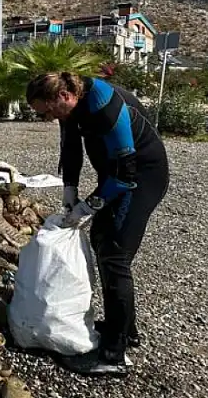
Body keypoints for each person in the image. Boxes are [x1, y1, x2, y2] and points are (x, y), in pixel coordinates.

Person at [25, 71, 169, 378]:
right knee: (103, 241)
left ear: (63, 97)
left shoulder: (103, 105)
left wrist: (89, 206)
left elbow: (126, 175)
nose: (48, 117)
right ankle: (125, 330)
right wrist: (70, 189)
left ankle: (114, 355)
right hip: (114, 175)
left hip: (141, 177)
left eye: (48, 111)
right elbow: (72, 148)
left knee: (115, 255)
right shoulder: (69, 104)